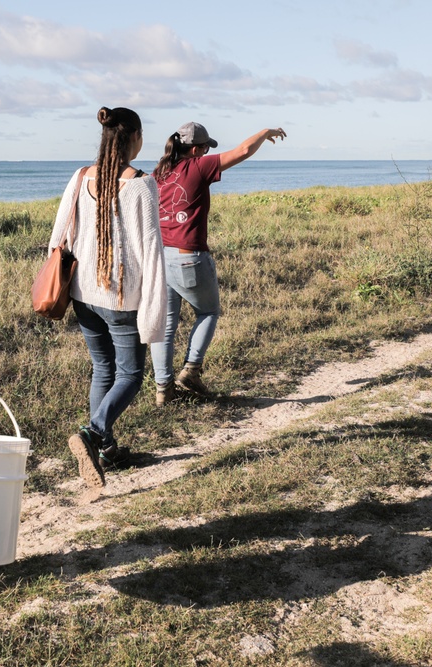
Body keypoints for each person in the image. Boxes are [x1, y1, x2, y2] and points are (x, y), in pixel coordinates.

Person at [48, 107, 166, 489]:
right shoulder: (141, 184)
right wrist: (153, 306)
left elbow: (58, 235)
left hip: (83, 293)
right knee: (131, 375)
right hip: (120, 297)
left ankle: (106, 451)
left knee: (103, 368)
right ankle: (93, 433)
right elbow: (150, 251)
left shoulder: (82, 176)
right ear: (134, 137)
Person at [150, 122, 286, 405]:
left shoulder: (159, 173)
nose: (204, 154)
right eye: (203, 149)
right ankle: (191, 370)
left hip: (162, 257)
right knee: (208, 312)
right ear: (197, 149)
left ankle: (163, 389)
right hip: (190, 257)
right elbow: (243, 151)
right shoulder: (198, 167)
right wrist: (264, 132)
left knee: (166, 325)